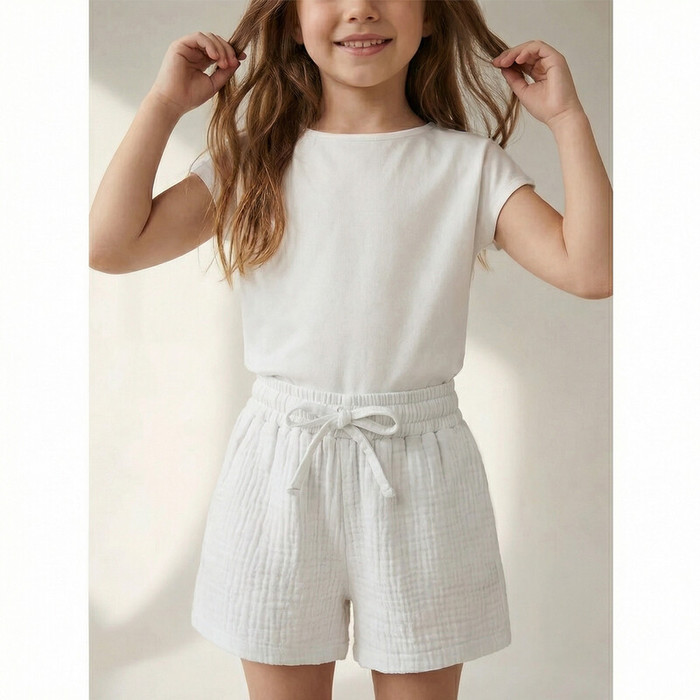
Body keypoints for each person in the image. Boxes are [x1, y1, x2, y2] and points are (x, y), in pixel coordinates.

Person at [89, 0, 612, 698]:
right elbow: (111, 245)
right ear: (291, 21)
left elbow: (592, 270)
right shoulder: (254, 159)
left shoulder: (467, 166)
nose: (360, 8)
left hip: (421, 471)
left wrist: (568, 119)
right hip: (283, 466)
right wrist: (162, 106)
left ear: (430, 16)